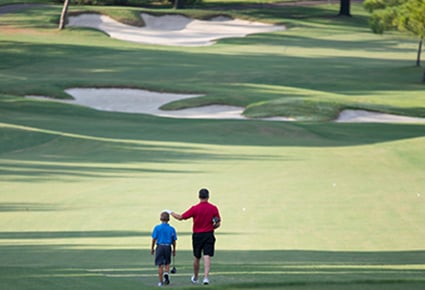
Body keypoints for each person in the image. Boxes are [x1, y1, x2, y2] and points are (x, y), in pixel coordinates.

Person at [168, 188, 221, 285]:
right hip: (209, 234)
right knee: (207, 256)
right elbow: (218, 223)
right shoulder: (213, 208)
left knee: (197, 257)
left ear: (199, 196)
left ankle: (196, 277)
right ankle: (206, 278)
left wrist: (170, 212)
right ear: (208, 197)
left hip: (197, 235)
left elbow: (181, 217)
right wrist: (212, 227)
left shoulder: (195, 208)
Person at [151, 211, 177, 287]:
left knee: (160, 265)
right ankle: (166, 273)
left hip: (160, 246)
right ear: (168, 219)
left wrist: (152, 248)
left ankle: (160, 282)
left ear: (160, 219)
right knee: (167, 263)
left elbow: (154, 239)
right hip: (168, 246)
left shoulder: (157, 228)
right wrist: (174, 249)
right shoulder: (172, 229)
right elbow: (174, 240)